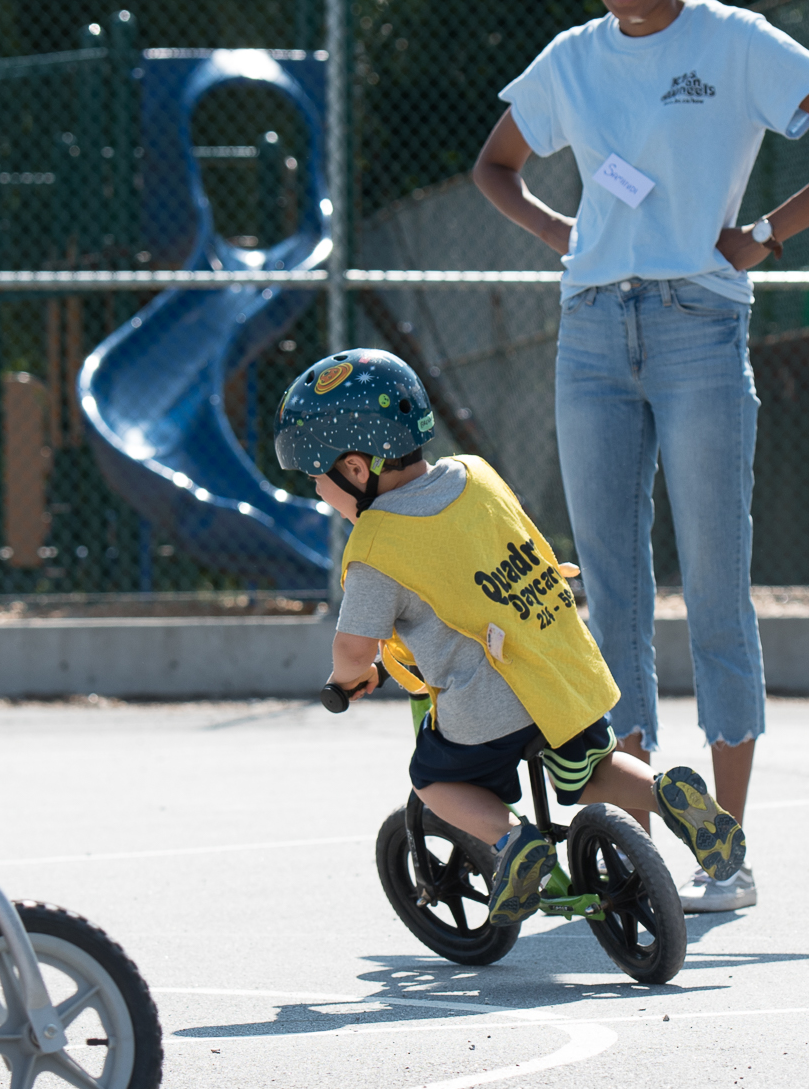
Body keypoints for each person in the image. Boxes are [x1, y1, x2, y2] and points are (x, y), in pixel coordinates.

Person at [472, 0, 809, 916]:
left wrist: (763, 231)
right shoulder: (570, 59)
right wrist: (557, 234)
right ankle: (631, 843)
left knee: (716, 587)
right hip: (588, 339)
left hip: (697, 329)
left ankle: (729, 851)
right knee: (608, 595)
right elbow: (493, 164)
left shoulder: (733, 42)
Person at [283, 348, 746, 923]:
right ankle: (668, 795)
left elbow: (354, 649)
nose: (319, 493)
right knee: (591, 767)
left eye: (316, 479)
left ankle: (511, 842)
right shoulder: (476, 474)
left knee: (434, 778)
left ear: (356, 469)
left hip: (488, 708)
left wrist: (345, 682)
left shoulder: (376, 548)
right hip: (562, 670)